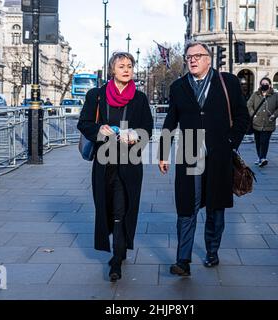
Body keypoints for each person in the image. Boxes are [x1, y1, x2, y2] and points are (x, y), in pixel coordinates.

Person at [158, 42, 250, 276]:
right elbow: (170, 121)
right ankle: (183, 260)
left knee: (215, 208)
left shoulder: (227, 82)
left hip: (219, 154)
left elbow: (242, 117)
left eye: (198, 56)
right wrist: (163, 152)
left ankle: (212, 251)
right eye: (189, 57)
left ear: (209, 59)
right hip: (190, 151)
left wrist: (231, 143)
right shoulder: (178, 86)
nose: (192, 60)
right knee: (186, 207)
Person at [77, 52, 153, 282]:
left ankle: (116, 260)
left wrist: (134, 136)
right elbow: (84, 123)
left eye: (130, 66)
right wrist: (100, 131)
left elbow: (147, 129)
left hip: (129, 164)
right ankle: (117, 244)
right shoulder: (96, 96)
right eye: (122, 66)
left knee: (121, 210)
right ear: (112, 70)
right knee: (106, 209)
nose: (127, 69)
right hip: (103, 163)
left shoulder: (139, 99)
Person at [247, 77, 278, 167]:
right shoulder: (255, 94)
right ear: (260, 85)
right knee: (258, 142)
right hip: (256, 123)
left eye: (266, 83)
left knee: (264, 141)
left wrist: (274, 115)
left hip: (268, 123)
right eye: (262, 83)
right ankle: (260, 157)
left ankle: (263, 158)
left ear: (270, 85)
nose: (264, 85)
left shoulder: (275, 95)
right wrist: (253, 115)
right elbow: (249, 105)